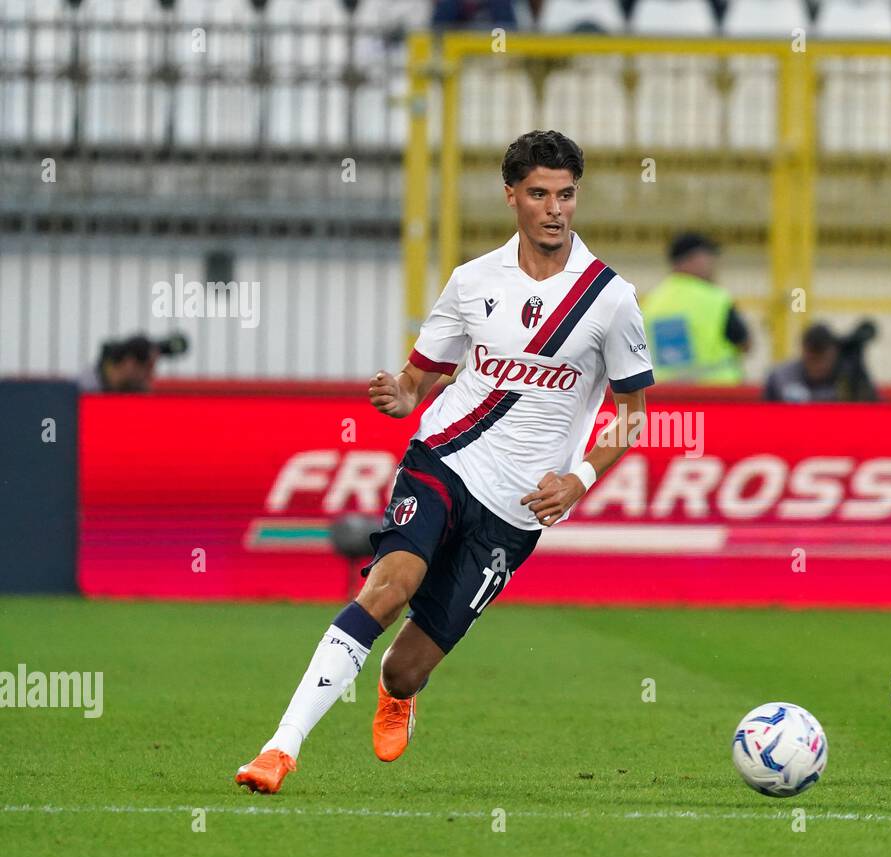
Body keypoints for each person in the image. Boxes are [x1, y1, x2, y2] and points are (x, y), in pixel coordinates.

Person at [236, 130, 655, 794]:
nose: (555, 209)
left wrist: (580, 478)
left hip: (518, 510)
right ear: (511, 195)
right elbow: (416, 380)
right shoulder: (472, 282)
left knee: (407, 667)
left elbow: (633, 417)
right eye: (540, 194)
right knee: (387, 586)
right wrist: (399, 397)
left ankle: (395, 693)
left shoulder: (611, 300)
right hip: (445, 460)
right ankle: (279, 749)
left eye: (566, 195)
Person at [641, 232, 750, 384]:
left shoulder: (652, 301)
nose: (713, 265)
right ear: (691, 260)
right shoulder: (715, 298)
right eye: (708, 258)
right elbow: (745, 344)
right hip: (716, 395)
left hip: (668, 397)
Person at [764, 320, 880, 403]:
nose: (817, 366)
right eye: (812, 359)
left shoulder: (849, 379)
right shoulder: (782, 378)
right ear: (802, 350)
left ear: (834, 353)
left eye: (822, 359)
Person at [78, 332, 188, 393]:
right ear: (129, 363)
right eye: (148, 369)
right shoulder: (85, 389)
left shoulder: (127, 389)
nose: (151, 375)